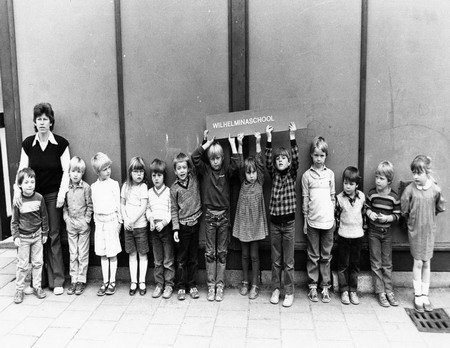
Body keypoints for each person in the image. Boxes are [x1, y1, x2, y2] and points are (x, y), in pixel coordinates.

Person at [13, 102, 70, 295]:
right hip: (33, 196)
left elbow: (67, 172)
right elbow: (22, 170)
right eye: (39, 119)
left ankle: (57, 280)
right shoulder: (28, 144)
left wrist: (62, 195)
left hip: (53, 196)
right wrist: (17, 192)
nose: (43, 123)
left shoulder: (61, 144)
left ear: (51, 121)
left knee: (53, 235)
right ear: (35, 122)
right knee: (36, 236)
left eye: (46, 119)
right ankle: (39, 281)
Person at [192, 133, 240, 302]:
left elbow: (237, 164)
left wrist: (233, 144)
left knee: (222, 253)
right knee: (210, 253)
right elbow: (194, 157)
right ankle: (210, 285)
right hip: (210, 218)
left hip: (224, 217)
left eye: (218, 158)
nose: (215, 162)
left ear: (222, 158)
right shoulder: (205, 171)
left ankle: (220, 285)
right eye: (212, 159)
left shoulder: (226, 172)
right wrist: (208, 142)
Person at [400, 155, 445, 313]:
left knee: (427, 262)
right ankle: (417, 295)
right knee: (418, 262)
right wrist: (413, 222)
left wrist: (428, 220)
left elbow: (439, 207)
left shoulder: (435, 189)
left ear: (428, 172)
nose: (415, 177)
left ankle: (425, 295)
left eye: (419, 173)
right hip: (416, 232)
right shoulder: (410, 190)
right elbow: (404, 209)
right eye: (414, 173)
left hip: (429, 231)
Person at [265, 122, 299, 307]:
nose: (279, 160)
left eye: (283, 158)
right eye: (278, 158)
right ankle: (276, 289)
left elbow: (296, 158)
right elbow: (268, 157)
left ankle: (289, 292)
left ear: (288, 162)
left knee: (289, 261)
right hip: (275, 223)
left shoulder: (291, 174)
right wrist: (269, 139)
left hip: (289, 224)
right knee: (276, 260)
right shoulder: (274, 174)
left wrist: (292, 136)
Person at [233, 132, 268, 300]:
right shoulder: (242, 181)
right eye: (249, 172)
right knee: (245, 254)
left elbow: (260, 161)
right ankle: (245, 282)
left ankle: (255, 284)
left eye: (253, 172)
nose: (252, 175)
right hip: (243, 223)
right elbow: (239, 164)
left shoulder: (260, 180)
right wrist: (239, 143)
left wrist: (258, 141)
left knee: (254, 255)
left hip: (255, 224)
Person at [302, 136, 335, 303]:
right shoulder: (307, 176)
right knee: (313, 255)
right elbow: (305, 198)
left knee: (325, 256)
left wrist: (333, 217)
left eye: (322, 155)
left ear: (326, 156)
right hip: (313, 222)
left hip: (328, 222)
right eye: (316, 155)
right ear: (311, 155)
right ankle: (313, 286)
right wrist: (305, 220)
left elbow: (333, 197)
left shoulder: (330, 174)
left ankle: (325, 286)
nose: (319, 159)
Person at [366, 160, 400, 307]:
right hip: (373, 232)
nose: (378, 181)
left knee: (387, 263)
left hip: (387, 233)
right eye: (377, 177)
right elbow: (366, 207)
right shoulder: (372, 194)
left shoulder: (394, 197)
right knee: (376, 263)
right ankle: (380, 292)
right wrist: (369, 213)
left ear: (389, 181)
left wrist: (388, 218)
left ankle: (389, 290)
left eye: (382, 179)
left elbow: (398, 215)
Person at [11, 168, 49, 304]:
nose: (30, 185)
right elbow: (14, 221)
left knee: (38, 263)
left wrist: (45, 232)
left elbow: (44, 217)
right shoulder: (18, 200)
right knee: (22, 265)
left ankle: (37, 287)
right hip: (23, 238)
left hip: (37, 236)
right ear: (20, 184)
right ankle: (19, 289)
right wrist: (15, 236)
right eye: (26, 182)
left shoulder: (39, 198)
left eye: (32, 181)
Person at [171, 153, 202, 301]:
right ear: (175, 171)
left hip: (195, 224)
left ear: (189, 169)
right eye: (179, 168)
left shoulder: (194, 179)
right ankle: (181, 286)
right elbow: (173, 210)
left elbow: (196, 157)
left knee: (193, 258)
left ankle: (192, 284)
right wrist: (175, 228)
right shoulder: (174, 188)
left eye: (184, 167)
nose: (182, 171)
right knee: (182, 259)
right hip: (183, 227)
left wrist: (205, 142)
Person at [91, 152, 122, 296]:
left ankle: (113, 281)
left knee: (112, 253)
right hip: (100, 222)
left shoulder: (114, 184)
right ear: (98, 172)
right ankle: (105, 281)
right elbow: (95, 205)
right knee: (103, 254)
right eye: (104, 169)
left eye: (109, 167)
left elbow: (118, 204)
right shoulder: (94, 187)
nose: (108, 171)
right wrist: (96, 221)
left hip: (111, 221)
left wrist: (119, 221)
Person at [335, 166, 365, 305]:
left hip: (357, 236)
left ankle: (353, 290)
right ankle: (344, 291)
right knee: (343, 264)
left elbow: (364, 215)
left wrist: (364, 230)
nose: (348, 186)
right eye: (346, 183)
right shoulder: (339, 199)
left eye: (351, 184)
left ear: (357, 185)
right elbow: (336, 217)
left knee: (354, 264)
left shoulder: (361, 197)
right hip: (343, 236)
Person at [63, 157, 93, 296]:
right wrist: (66, 218)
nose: (75, 174)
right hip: (71, 224)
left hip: (82, 224)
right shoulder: (66, 187)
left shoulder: (86, 187)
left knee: (82, 253)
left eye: (78, 171)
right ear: (69, 172)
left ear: (82, 173)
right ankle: (73, 279)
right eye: (73, 171)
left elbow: (90, 205)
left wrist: (87, 219)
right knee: (73, 253)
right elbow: (64, 206)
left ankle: (81, 280)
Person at [146, 159, 175, 299]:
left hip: (165, 228)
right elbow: (148, 209)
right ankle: (159, 284)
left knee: (168, 259)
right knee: (157, 260)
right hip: (154, 229)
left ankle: (169, 284)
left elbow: (171, 211)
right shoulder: (150, 192)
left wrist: (163, 222)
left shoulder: (168, 191)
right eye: (153, 175)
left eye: (159, 175)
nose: (156, 178)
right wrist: (151, 219)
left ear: (164, 176)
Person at [121, 157, 149, 296]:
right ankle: (133, 282)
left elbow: (143, 206)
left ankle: (142, 281)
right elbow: (122, 204)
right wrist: (126, 219)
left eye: (141, 171)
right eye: (135, 171)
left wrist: (133, 220)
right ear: (130, 172)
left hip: (141, 226)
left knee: (142, 253)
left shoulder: (143, 187)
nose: (139, 174)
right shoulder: (126, 186)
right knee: (132, 254)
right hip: (128, 227)